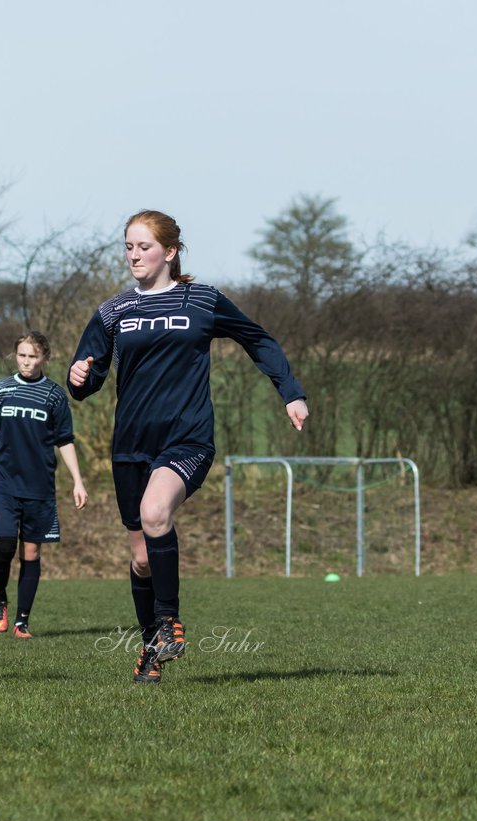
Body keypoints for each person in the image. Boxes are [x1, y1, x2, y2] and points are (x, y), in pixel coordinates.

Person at [67, 210, 308, 683]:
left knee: (157, 512)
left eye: (144, 247)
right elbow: (88, 378)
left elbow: (257, 340)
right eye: (128, 247)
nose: (134, 255)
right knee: (140, 557)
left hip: (187, 437)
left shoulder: (202, 299)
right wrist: (79, 376)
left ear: (170, 252)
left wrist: (291, 391)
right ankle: (150, 648)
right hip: (130, 445)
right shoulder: (114, 311)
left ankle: (169, 621)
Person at [0, 331, 88, 639]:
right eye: (21, 355)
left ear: (45, 358)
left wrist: (77, 482)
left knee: (31, 554)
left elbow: (65, 441)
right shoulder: (0, 390)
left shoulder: (55, 396)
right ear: (15, 356)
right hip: (4, 481)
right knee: (4, 545)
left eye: (32, 356)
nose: (26, 361)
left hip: (40, 485)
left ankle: (22, 622)